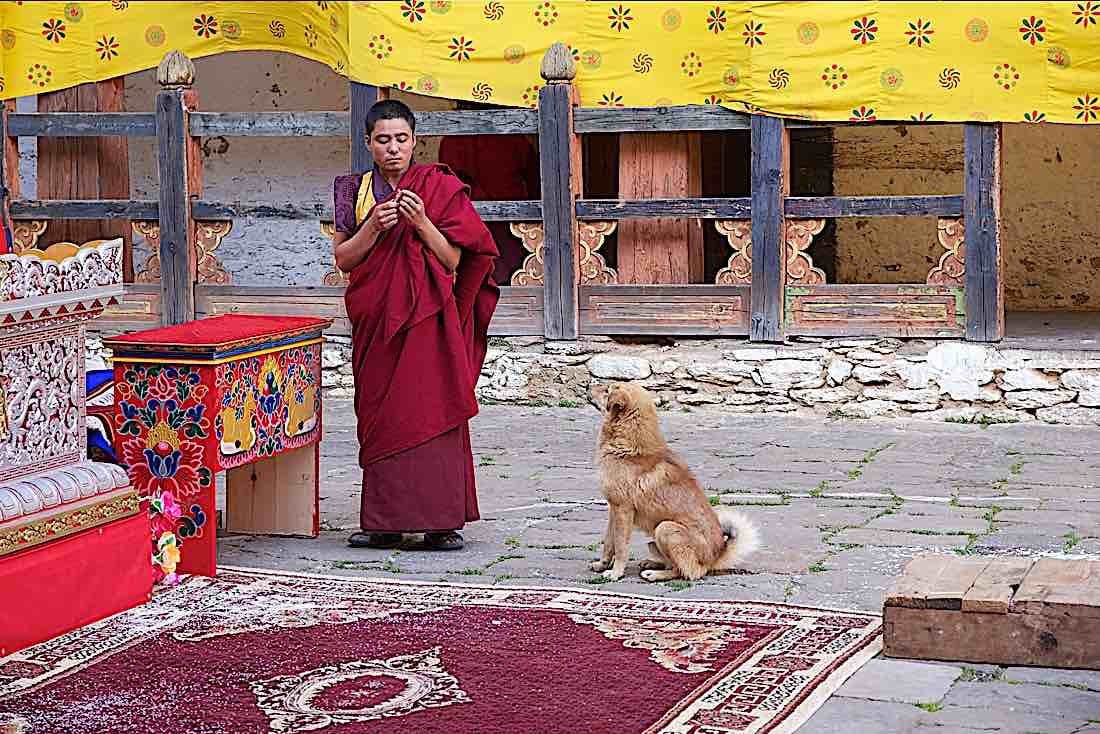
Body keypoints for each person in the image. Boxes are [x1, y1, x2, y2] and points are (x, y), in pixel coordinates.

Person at [331, 99, 499, 551]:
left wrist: (422, 222)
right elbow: (344, 259)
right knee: (382, 414)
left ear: (414, 141)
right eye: (382, 140)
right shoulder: (352, 190)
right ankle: (384, 522)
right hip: (376, 322)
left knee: (431, 410)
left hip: (427, 321)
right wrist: (373, 230)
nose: (393, 149)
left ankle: (441, 522)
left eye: (401, 139)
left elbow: (453, 261)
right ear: (368, 143)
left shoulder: (438, 186)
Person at [437, 100, 540, 285]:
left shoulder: (450, 141)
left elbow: (448, 187)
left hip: (469, 223)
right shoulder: (515, 139)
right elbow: (536, 186)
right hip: (513, 223)